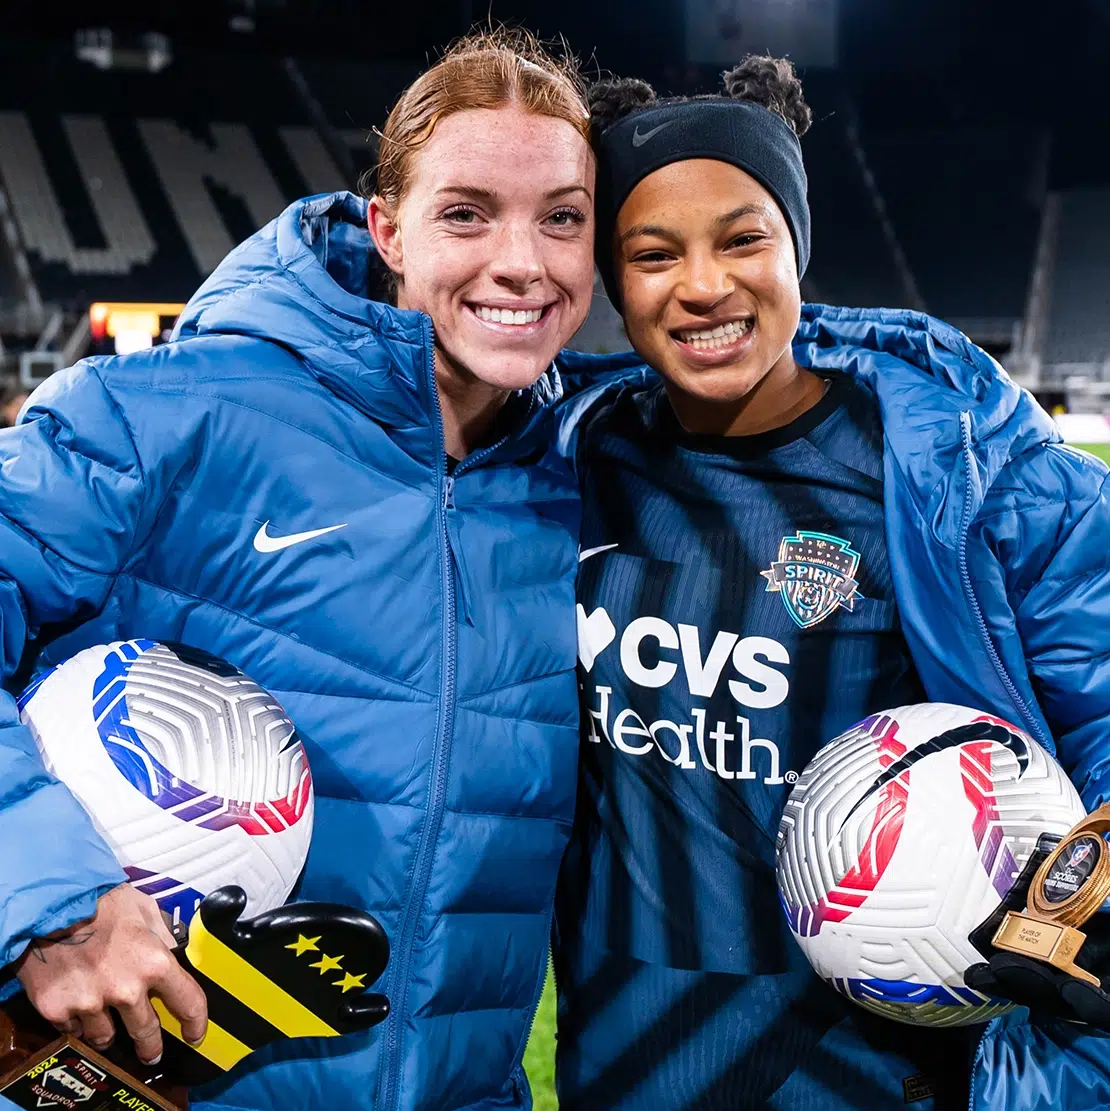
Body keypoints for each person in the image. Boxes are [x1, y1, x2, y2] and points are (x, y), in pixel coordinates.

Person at [0, 28, 602, 1111]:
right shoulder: (165, 418)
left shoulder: (584, 481)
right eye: (466, 213)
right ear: (388, 230)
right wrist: (52, 901)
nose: (523, 260)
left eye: (562, 216)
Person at [553, 56, 1110, 1111]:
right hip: (623, 1048)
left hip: (881, 1053)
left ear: (798, 246)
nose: (705, 283)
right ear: (611, 281)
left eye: (744, 237)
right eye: (652, 252)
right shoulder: (572, 461)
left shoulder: (950, 468)